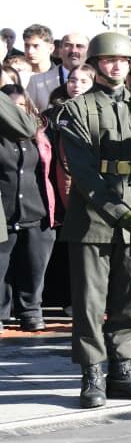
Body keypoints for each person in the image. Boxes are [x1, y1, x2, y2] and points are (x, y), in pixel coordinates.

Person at [55, 32, 131, 407]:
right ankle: (92, 373)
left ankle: (122, 369)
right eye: (108, 60)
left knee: (130, 298)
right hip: (94, 218)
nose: (116, 66)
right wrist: (116, 211)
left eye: (123, 61)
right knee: (90, 301)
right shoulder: (76, 109)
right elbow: (82, 170)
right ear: (94, 65)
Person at [0, 85, 56, 333]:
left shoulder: (41, 133)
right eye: (10, 107)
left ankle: (30, 311)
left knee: (34, 267)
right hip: (5, 209)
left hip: (37, 210)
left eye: (20, 106)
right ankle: (2, 312)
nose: (16, 112)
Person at [27, 30, 87, 113]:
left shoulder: (97, 81)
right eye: (68, 45)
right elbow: (28, 116)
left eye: (79, 46)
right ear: (60, 50)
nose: (74, 50)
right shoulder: (36, 81)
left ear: (88, 51)